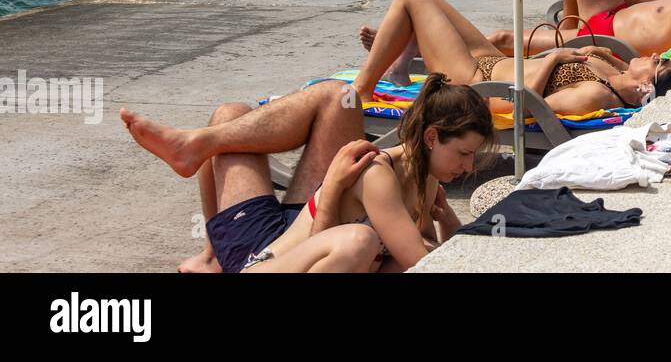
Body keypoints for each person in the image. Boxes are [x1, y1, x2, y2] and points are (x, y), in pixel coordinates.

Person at [120, 76, 494, 272]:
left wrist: (447, 219)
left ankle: (208, 246)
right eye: (464, 153)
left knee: (232, 114)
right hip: (272, 253)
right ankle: (213, 251)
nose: (469, 167)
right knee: (239, 112)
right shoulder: (378, 170)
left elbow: (424, 249)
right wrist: (329, 191)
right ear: (432, 137)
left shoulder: (428, 174)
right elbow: (423, 260)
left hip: (306, 238)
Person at [351, 0, 671, 117]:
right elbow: (601, 50)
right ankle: (400, 52)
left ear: (646, 88)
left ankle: (361, 89)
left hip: (475, 83)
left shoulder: (596, 97)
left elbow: (519, 109)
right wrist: (598, 52)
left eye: (661, 64)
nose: (658, 55)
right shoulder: (618, 73)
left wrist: (553, 58)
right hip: (493, 61)